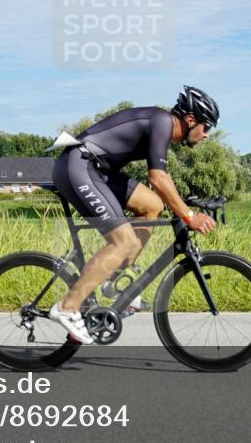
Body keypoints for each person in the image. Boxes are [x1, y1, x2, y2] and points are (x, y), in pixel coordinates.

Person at [49, 85, 220, 343]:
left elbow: (161, 185)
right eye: (206, 127)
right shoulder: (162, 120)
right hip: (78, 165)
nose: (206, 135)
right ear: (191, 120)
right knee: (123, 240)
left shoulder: (160, 126)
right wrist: (189, 216)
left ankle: (116, 283)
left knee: (152, 206)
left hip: (97, 171)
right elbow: (158, 177)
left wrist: (185, 205)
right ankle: (68, 306)